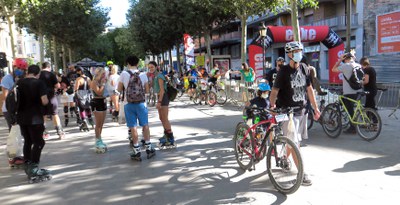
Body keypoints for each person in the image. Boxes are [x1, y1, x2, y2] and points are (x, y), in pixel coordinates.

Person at [269, 41, 321, 186]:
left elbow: (309, 90)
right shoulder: (283, 72)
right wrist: (272, 105)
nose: (299, 53)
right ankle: (302, 174)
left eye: (300, 50)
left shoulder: (305, 68)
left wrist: (315, 108)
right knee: (295, 142)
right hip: (287, 112)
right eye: (296, 51)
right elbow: (274, 91)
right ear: (289, 54)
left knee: (293, 141)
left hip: (302, 111)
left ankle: (285, 157)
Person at [17, 65, 51, 182]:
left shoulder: (19, 82)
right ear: (38, 73)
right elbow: (44, 100)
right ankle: (34, 167)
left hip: (21, 117)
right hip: (35, 117)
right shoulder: (39, 83)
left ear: (28, 72)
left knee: (28, 141)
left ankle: (27, 164)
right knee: (39, 142)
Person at [118, 56, 155, 161]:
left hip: (128, 104)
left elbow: (119, 89)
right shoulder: (143, 74)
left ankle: (136, 149)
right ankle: (148, 147)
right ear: (138, 63)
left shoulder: (124, 74)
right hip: (141, 104)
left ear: (127, 64)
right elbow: (147, 91)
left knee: (133, 126)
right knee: (145, 125)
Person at [332, 51, 362, 134]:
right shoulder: (358, 65)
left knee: (349, 110)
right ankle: (354, 122)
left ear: (345, 59)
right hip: (359, 90)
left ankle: (352, 128)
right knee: (353, 108)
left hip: (349, 92)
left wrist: (339, 60)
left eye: (343, 60)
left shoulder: (345, 66)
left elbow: (333, 69)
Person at [150, 61, 176, 146]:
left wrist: (159, 101)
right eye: (149, 67)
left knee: (165, 118)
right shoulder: (155, 76)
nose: (150, 69)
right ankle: (166, 135)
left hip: (163, 98)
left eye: (152, 67)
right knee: (161, 118)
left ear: (156, 67)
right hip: (160, 97)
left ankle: (170, 137)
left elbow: (162, 90)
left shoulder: (160, 76)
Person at [39, 62, 65, 139]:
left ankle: (44, 133)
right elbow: (57, 86)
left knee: (43, 115)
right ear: (49, 67)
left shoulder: (38, 75)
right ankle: (60, 132)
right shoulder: (51, 74)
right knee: (55, 114)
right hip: (51, 97)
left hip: (41, 97)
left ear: (42, 67)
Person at [1, 58, 28, 131]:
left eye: (22, 69)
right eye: (18, 68)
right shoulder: (6, 79)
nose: (20, 70)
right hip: (10, 108)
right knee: (14, 131)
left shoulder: (23, 78)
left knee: (23, 131)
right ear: (14, 67)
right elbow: (5, 96)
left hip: (21, 108)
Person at [90, 67, 108, 153]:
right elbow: (99, 92)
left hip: (103, 101)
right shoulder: (94, 82)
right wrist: (104, 84)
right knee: (98, 124)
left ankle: (99, 139)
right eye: (103, 74)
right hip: (96, 102)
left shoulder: (102, 81)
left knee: (101, 124)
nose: (105, 75)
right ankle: (97, 141)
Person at [74, 66, 93, 131]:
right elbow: (90, 87)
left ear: (79, 71)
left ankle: (84, 121)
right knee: (87, 108)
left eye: (77, 71)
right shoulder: (88, 78)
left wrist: (75, 95)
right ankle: (91, 120)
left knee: (81, 109)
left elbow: (76, 89)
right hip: (87, 95)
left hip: (80, 95)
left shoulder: (78, 79)